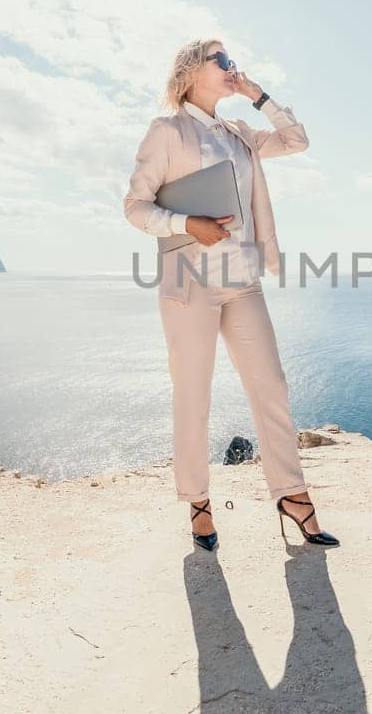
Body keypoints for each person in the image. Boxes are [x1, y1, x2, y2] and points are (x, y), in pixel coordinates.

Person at [123, 37, 339, 551]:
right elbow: (135, 207)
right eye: (220, 60)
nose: (229, 65)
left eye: (231, 60)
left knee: (272, 388)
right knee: (193, 397)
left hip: (243, 280)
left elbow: (297, 140)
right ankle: (198, 502)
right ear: (192, 69)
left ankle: (292, 496)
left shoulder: (240, 133)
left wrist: (256, 94)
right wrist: (186, 222)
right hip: (189, 284)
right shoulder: (167, 131)